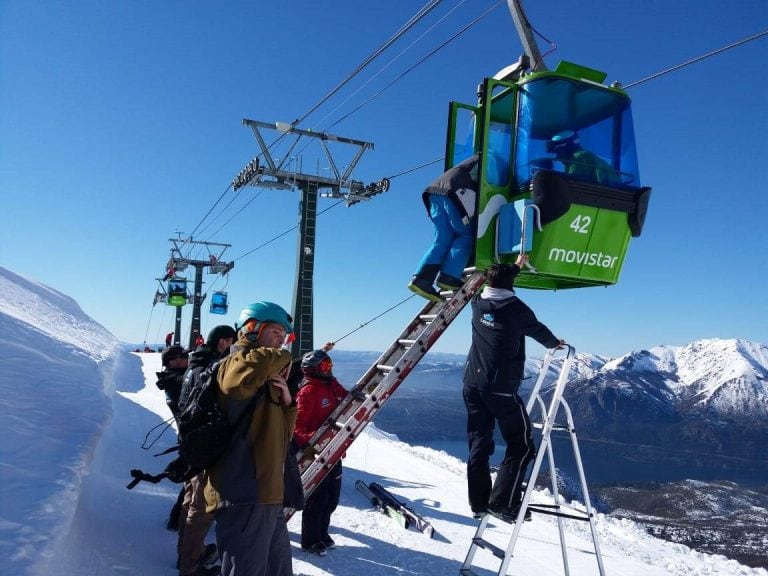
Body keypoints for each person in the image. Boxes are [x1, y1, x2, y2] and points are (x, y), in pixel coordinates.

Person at [463, 256, 565, 520]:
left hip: (472, 384)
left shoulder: (477, 303)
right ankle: (502, 503)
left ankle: (479, 504)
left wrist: (514, 267)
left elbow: (497, 282)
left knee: (479, 444)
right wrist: (555, 343)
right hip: (500, 389)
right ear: (510, 285)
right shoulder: (516, 309)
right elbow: (539, 331)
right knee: (522, 446)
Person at [203, 302, 296, 576]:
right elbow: (239, 378)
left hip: (266, 492)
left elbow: (282, 436)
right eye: (276, 332)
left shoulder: (264, 375)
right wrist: (285, 357)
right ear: (253, 329)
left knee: (277, 569)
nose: (282, 340)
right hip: (244, 490)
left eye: (284, 336)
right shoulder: (235, 364)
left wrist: (287, 403)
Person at [175, 325, 237, 576]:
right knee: (200, 509)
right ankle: (190, 566)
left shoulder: (194, 365)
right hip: (203, 447)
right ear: (223, 343)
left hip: (191, 443)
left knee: (190, 501)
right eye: (231, 342)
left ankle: (187, 554)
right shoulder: (212, 368)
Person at [293, 343, 348, 556]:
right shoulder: (308, 392)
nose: (328, 368)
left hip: (333, 452)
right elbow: (296, 426)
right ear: (314, 369)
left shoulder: (330, 385)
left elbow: (345, 397)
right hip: (317, 454)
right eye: (324, 365)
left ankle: (323, 533)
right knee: (318, 499)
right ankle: (310, 540)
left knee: (332, 498)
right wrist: (309, 444)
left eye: (329, 364)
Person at [408, 153, 480, 301]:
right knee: (465, 235)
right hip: (454, 191)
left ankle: (421, 279)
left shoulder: (470, 160)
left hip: (433, 192)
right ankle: (449, 276)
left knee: (443, 238)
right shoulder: (489, 157)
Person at [548, 130, 618, 185]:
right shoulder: (579, 158)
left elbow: (569, 185)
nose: (557, 157)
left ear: (569, 147)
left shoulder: (579, 157)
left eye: (559, 151)